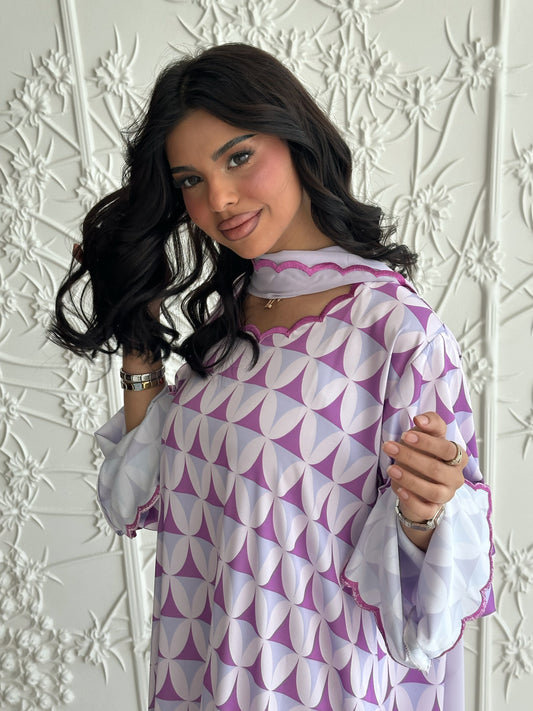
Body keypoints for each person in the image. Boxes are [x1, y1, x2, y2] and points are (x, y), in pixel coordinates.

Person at [51, 43, 493, 711]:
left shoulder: (395, 332)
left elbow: (425, 618)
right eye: (190, 180)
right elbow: (147, 497)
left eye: (237, 157)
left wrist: (424, 513)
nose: (219, 199)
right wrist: (138, 336)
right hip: (203, 677)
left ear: (296, 139)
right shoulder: (227, 329)